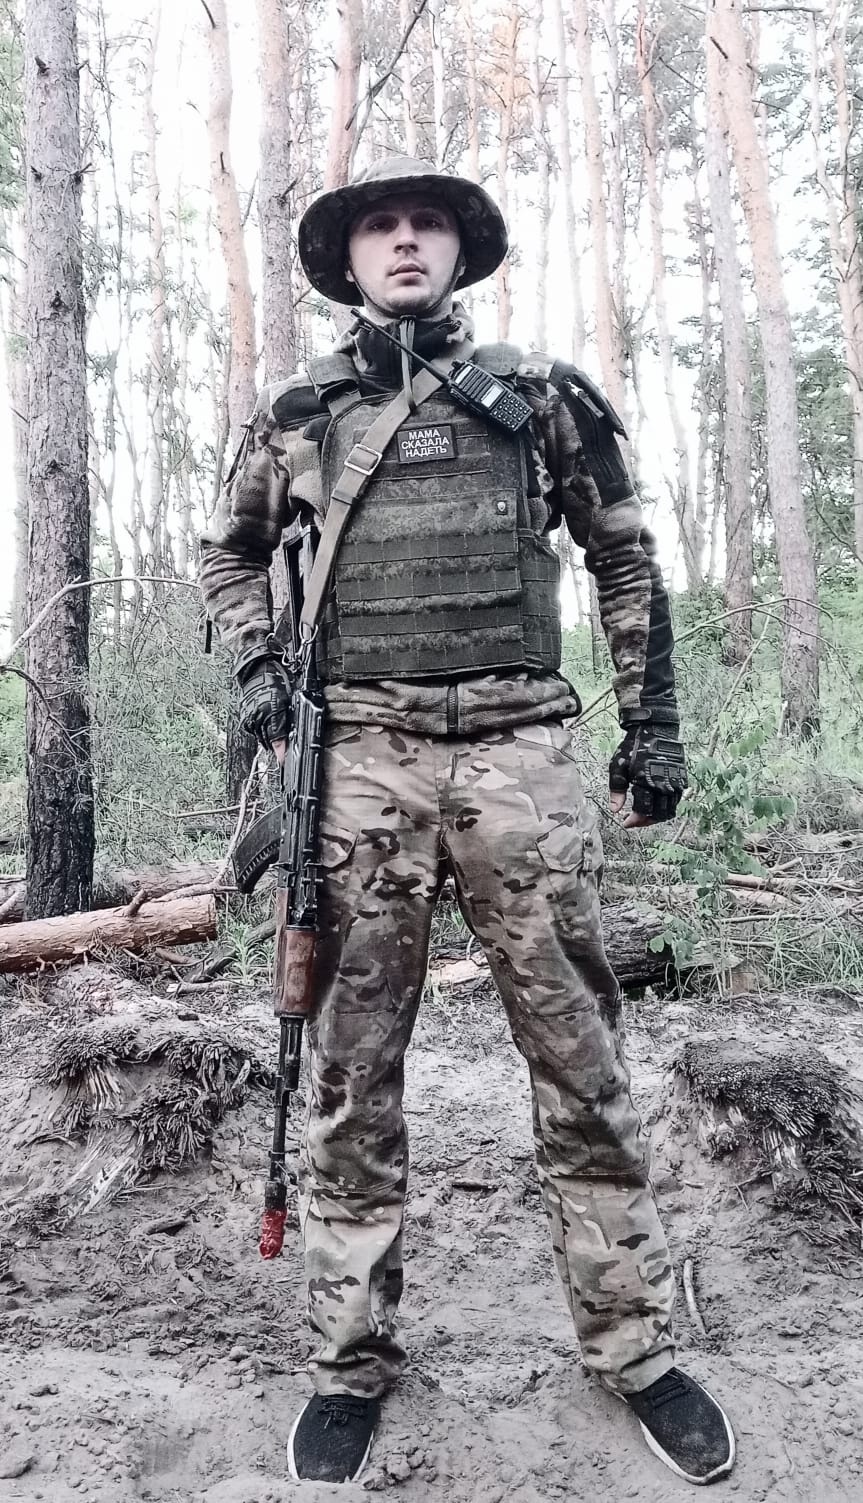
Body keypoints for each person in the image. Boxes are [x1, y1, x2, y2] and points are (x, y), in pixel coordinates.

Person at [199, 156, 735, 1489]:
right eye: (380, 227)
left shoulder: (540, 399)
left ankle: (635, 1349)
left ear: (459, 251)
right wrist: (259, 668)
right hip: (359, 766)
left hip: (521, 756)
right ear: (348, 260)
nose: (403, 242)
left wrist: (652, 725)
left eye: (425, 224)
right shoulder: (298, 413)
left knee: (580, 1060)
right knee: (348, 1075)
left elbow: (623, 554)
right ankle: (349, 1360)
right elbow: (228, 555)